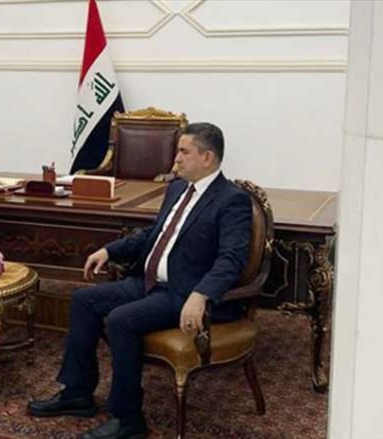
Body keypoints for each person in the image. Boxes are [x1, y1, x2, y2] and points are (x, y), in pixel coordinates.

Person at [27, 122, 252, 438]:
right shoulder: (176, 188)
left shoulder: (232, 200)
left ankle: (128, 418)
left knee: (121, 320)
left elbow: (232, 258)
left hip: (183, 292)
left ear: (208, 157)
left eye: (184, 152)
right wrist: (109, 250)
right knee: (83, 300)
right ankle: (78, 393)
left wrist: (201, 294)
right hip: (149, 282)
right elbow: (153, 233)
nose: (176, 159)